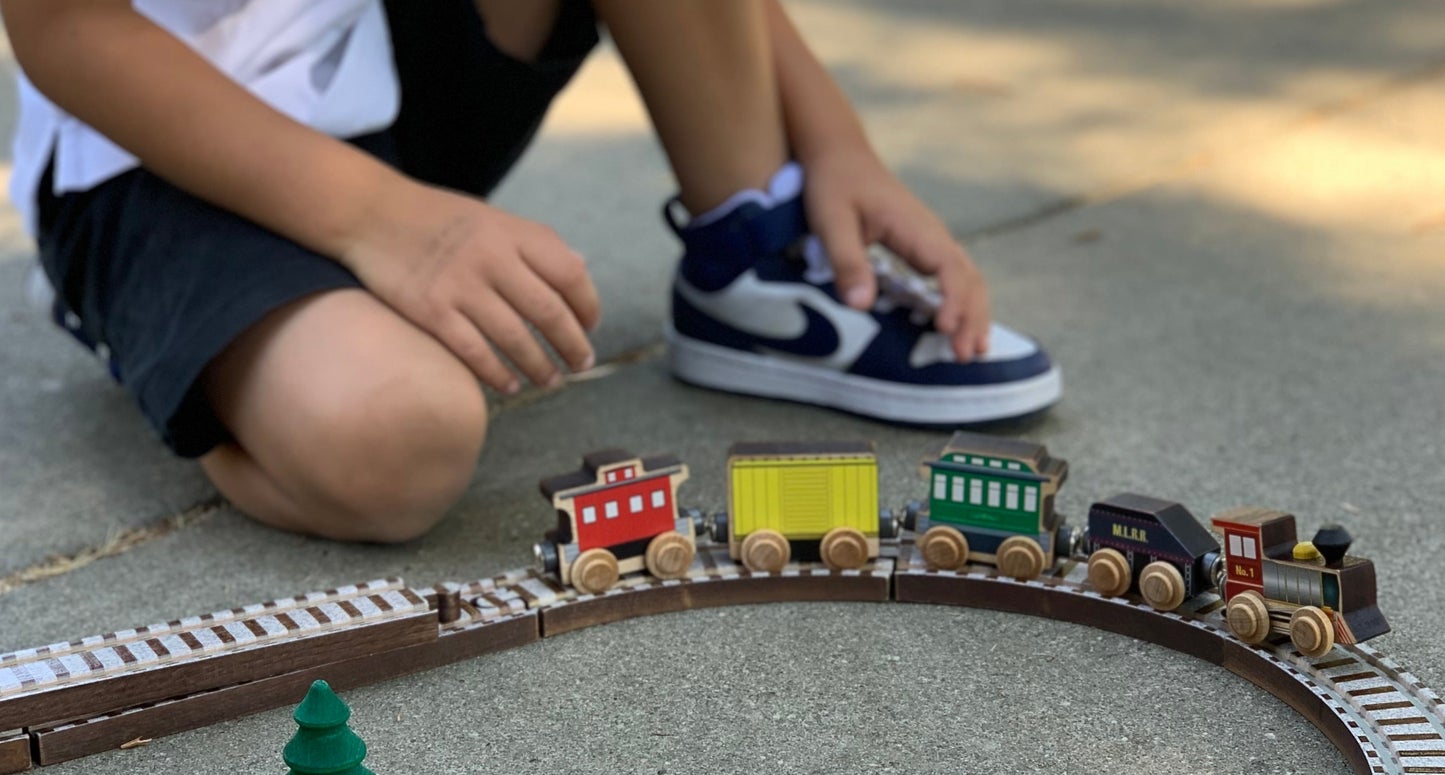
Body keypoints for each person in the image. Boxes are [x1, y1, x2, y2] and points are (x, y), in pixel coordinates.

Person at [2, 0, 1061, 543]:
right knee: (396, 442)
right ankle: (178, 350)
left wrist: (831, 147)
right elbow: (62, 28)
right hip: (152, 149)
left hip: (376, 67)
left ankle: (754, 248)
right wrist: (388, 225)